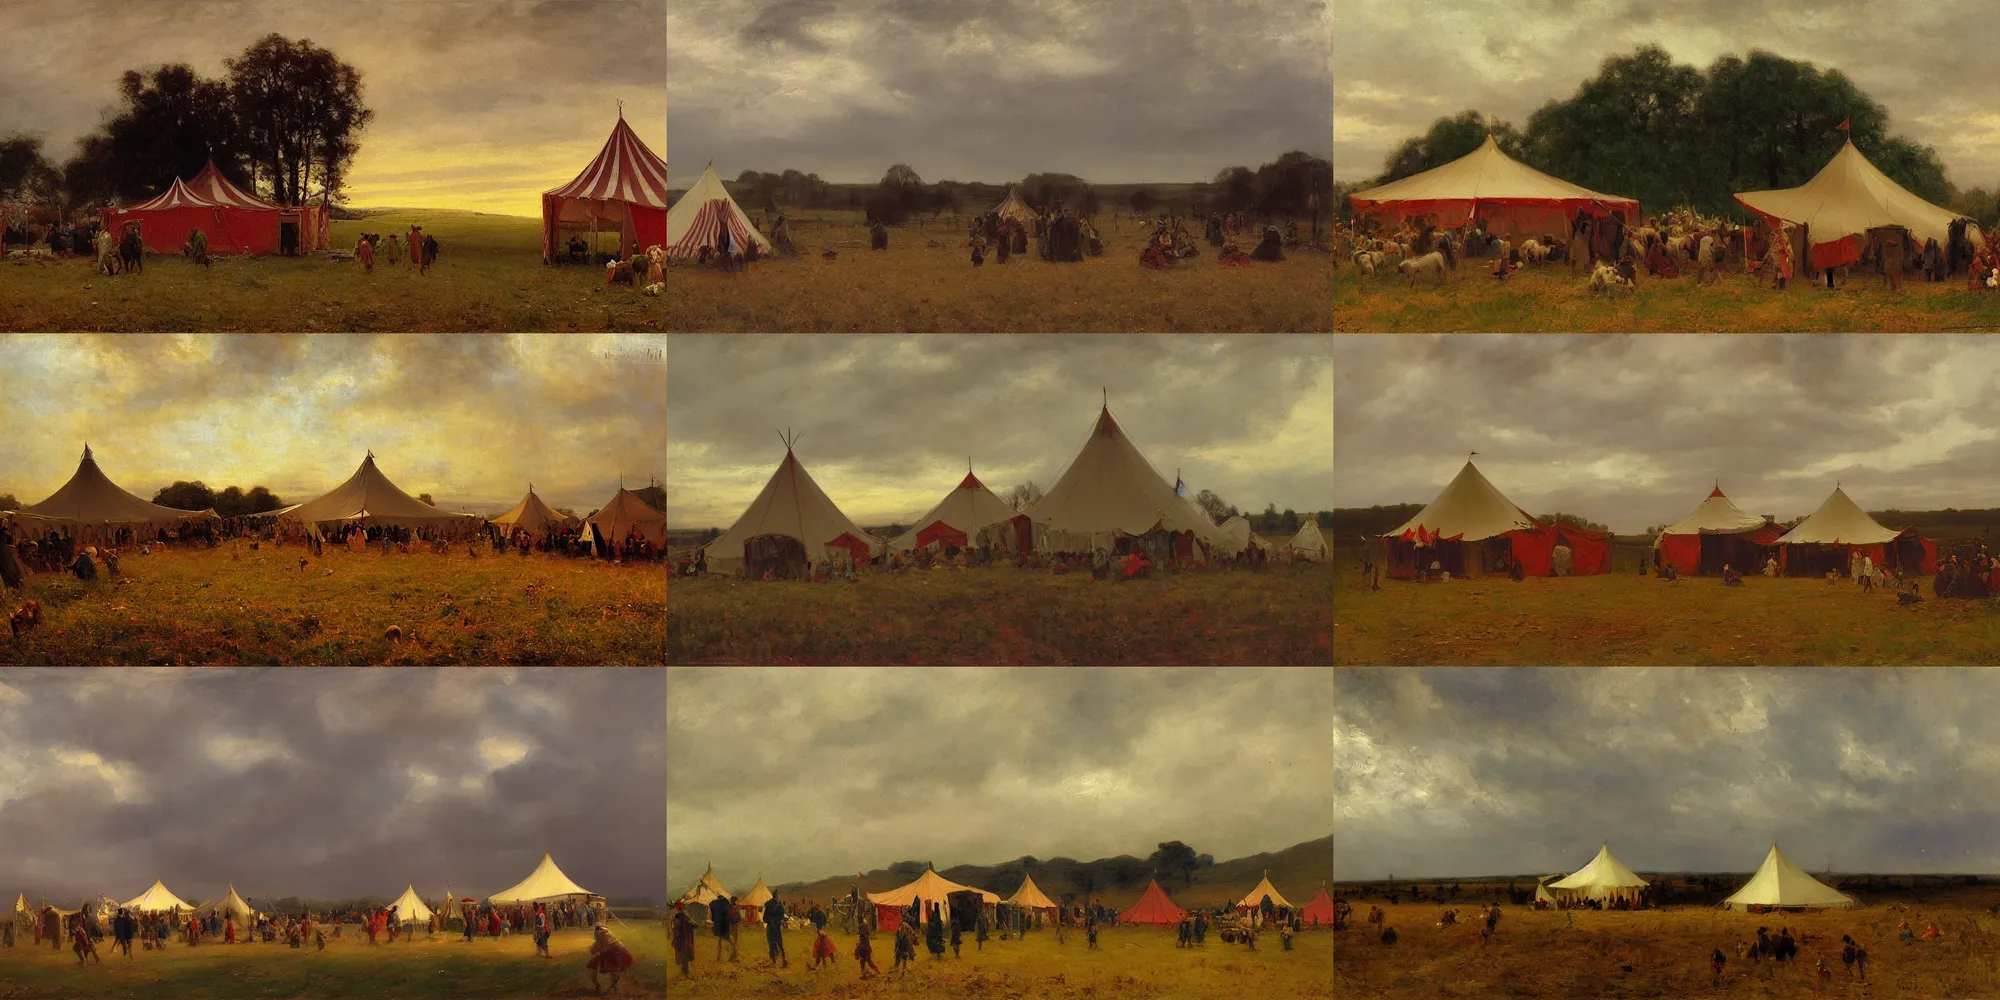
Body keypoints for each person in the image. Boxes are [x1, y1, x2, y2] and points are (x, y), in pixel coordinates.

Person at [586, 924, 634, 994]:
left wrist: (596, 951)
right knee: (612, 970)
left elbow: (605, 947)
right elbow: (601, 946)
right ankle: (606, 987)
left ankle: (609, 987)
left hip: (614, 952)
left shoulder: (602, 933)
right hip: (611, 951)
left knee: (614, 970)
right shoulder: (603, 933)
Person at [763, 894, 787, 968]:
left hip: (773, 927)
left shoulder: (771, 906)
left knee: (773, 944)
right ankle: (781, 961)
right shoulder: (778, 906)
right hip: (774, 927)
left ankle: (778, 961)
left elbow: (765, 919)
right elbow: (766, 919)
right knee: (778, 944)